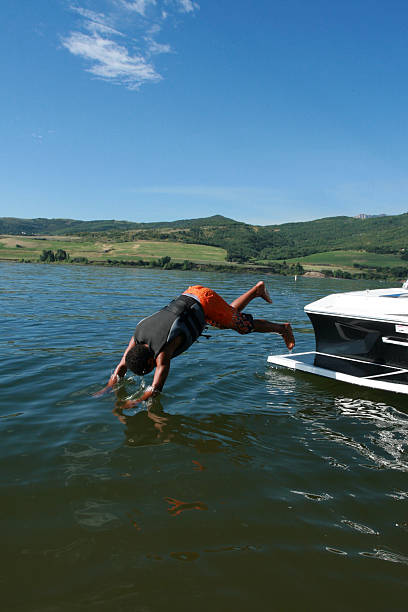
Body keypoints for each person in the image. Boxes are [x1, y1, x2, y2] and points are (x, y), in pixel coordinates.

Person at [98, 281, 295, 406]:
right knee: (226, 319)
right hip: (191, 293)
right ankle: (256, 290)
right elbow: (121, 366)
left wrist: (135, 402)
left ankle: (282, 328)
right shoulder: (137, 336)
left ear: (151, 363)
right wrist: (107, 388)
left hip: (204, 300)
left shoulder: (163, 353)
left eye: (147, 371)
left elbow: (156, 388)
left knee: (242, 326)